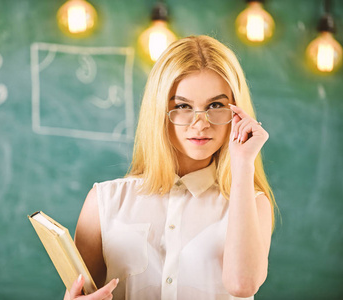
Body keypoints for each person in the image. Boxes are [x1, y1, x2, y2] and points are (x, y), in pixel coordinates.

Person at [64, 35, 278, 300]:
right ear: (159, 111)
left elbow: (242, 286)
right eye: (183, 106)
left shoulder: (252, 203)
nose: (200, 124)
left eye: (216, 105)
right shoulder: (103, 202)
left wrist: (243, 162)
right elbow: (80, 294)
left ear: (237, 112)